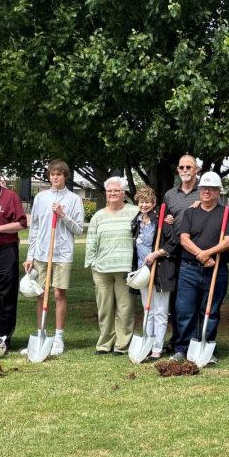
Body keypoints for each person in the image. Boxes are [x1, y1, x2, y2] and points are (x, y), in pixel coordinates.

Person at [22, 160, 84, 356]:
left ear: (65, 176)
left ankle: (58, 338)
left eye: (59, 174)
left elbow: (79, 229)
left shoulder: (74, 199)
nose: (55, 177)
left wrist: (63, 215)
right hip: (41, 253)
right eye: (52, 174)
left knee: (58, 294)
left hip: (62, 254)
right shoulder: (41, 197)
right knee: (41, 294)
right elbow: (36, 227)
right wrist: (30, 255)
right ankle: (41, 334)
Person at [174, 172, 229, 362]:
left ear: (218, 192)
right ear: (199, 190)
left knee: (211, 310)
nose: (207, 192)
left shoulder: (226, 213)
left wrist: (207, 253)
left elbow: (228, 241)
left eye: (211, 189)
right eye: (204, 188)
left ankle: (206, 347)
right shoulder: (190, 212)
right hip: (189, 269)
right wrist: (201, 256)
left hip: (217, 269)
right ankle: (183, 349)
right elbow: (184, 239)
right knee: (185, 310)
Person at [85, 177, 139, 354]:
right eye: (110, 191)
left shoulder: (135, 212)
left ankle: (122, 345)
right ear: (106, 193)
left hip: (125, 269)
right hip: (102, 269)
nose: (113, 193)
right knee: (105, 309)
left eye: (117, 190)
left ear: (124, 193)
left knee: (125, 308)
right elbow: (91, 241)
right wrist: (92, 263)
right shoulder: (98, 215)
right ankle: (104, 344)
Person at [130, 186, 177, 360]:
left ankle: (157, 347)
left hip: (161, 272)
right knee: (147, 309)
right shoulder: (136, 221)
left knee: (160, 311)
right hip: (143, 272)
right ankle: (147, 343)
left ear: (154, 203)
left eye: (147, 202)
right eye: (141, 202)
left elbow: (172, 243)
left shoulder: (163, 221)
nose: (144, 205)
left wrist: (157, 253)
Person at [162, 154, 201, 352]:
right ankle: (177, 338)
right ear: (178, 170)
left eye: (189, 167)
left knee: (192, 300)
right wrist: (168, 221)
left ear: (197, 170)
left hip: (195, 252)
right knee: (176, 299)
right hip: (174, 251)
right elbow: (167, 220)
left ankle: (195, 341)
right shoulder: (170, 195)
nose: (185, 171)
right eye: (182, 167)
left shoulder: (203, 193)